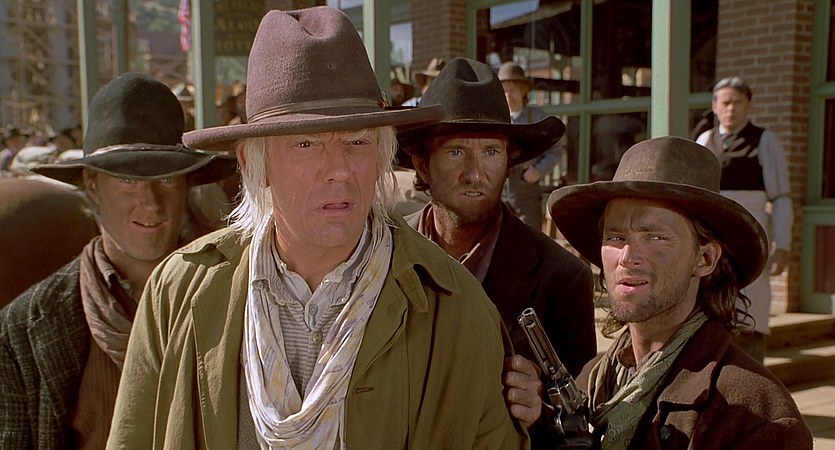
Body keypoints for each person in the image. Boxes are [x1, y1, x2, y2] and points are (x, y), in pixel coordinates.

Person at [108, 8, 527, 449]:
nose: (339, 170)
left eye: (357, 142)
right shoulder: (178, 294)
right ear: (255, 163)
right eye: (306, 144)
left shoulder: (457, 309)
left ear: (381, 156)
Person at [0, 72, 237, 448]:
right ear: (93, 185)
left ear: (186, 185)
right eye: (128, 181)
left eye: (166, 180)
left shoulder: (235, 299)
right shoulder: (23, 331)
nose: (150, 203)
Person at [547, 136, 812, 449]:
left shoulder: (755, 416)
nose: (627, 256)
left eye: (656, 237)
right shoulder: (591, 382)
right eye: (616, 237)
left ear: (705, 259)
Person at [398, 57, 597, 447]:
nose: (475, 173)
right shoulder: (381, 255)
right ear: (422, 164)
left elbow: (579, 428)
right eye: (456, 152)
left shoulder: (562, 278)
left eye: (490, 152)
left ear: (509, 162)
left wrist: (541, 412)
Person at [695, 76, 793, 362]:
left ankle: (752, 367)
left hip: (750, 232)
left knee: (751, 301)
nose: (731, 109)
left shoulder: (764, 141)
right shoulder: (705, 140)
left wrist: (783, 246)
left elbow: (781, 197)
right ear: (715, 106)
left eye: (737, 102)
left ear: (749, 105)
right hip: (713, 232)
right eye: (725, 102)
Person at [497, 61, 563, 230]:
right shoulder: (496, 120)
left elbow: (556, 150)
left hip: (526, 188)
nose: (507, 95)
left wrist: (538, 171)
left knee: (529, 235)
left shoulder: (538, 118)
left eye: (512, 89)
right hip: (499, 188)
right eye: (504, 90)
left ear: (523, 91)